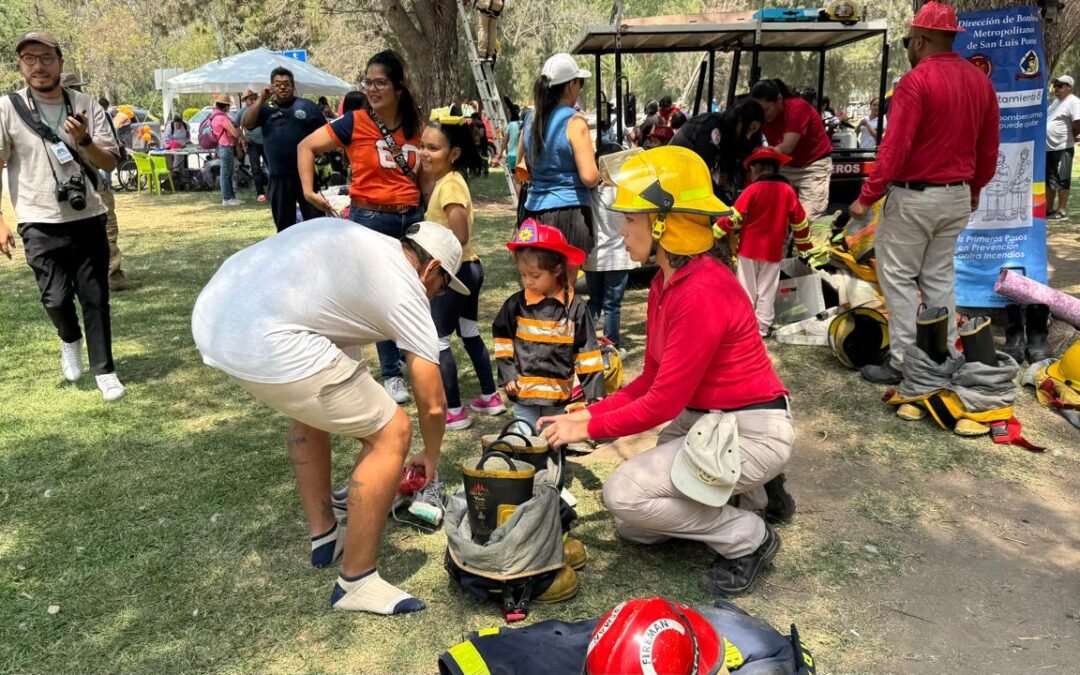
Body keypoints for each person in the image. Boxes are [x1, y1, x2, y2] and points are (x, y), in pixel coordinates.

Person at [538, 145, 795, 598]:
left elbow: (662, 402)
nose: (622, 229)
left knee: (625, 496)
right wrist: (588, 415)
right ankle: (750, 491)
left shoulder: (700, 292)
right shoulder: (665, 281)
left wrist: (589, 429)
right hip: (708, 419)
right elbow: (648, 380)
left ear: (663, 224)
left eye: (631, 219)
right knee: (637, 526)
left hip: (748, 427)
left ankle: (749, 537)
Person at [192, 219, 469, 615]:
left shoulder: (361, 251)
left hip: (215, 314)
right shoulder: (406, 287)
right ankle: (357, 581)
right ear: (431, 268)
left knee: (311, 408)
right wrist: (430, 457)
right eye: (441, 286)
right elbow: (432, 401)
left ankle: (325, 533)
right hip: (261, 336)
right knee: (393, 432)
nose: (437, 295)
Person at [849, 1, 999, 385]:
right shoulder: (980, 81)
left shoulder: (915, 83)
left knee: (897, 276)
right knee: (938, 277)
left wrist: (867, 196)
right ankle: (942, 352)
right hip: (956, 195)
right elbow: (988, 146)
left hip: (915, 196)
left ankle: (903, 360)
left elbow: (895, 149)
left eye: (910, 41)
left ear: (920, 39)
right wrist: (976, 187)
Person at [0, 31, 125, 401]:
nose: (38, 66)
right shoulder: (7, 107)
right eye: (29, 59)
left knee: (95, 297)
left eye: (46, 58)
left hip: (87, 215)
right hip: (37, 218)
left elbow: (110, 162)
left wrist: (84, 139)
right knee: (54, 298)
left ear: (60, 63)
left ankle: (105, 370)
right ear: (21, 65)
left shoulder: (85, 103)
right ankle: (69, 339)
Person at [298, 50, 424, 405]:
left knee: (413, 294)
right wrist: (309, 191)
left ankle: (408, 357)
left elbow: (427, 171)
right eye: (367, 82)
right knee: (383, 295)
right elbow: (306, 146)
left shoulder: (416, 125)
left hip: (412, 218)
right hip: (371, 218)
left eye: (380, 82)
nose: (371, 88)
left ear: (398, 86)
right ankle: (392, 374)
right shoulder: (355, 122)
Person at [421, 115, 506, 430]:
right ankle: (489, 397)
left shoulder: (451, 185)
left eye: (433, 147)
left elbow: (459, 234)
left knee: (439, 340)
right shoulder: (448, 182)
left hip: (454, 274)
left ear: (453, 153)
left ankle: (454, 411)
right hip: (468, 270)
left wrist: (437, 269)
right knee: (469, 333)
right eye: (422, 146)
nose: (425, 153)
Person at [493, 219, 605, 433]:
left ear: (556, 269)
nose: (527, 281)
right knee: (525, 435)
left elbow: (587, 353)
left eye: (534, 275)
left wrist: (594, 392)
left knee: (552, 435)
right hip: (524, 392)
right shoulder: (516, 305)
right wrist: (508, 373)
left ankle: (553, 466)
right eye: (522, 275)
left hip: (557, 394)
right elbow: (502, 337)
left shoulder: (575, 307)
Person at [715, 147, 811, 337]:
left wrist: (714, 233)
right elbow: (800, 222)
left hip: (749, 248)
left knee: (745, 288)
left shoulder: (753, 189)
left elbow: (733, 216)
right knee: (767, 289)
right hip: (773, 251)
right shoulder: (788, 191)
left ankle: (744, 324)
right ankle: (762, 328)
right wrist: (804, 249)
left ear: (755, 169)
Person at [517, 53, 601, 255]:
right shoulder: (574, 121)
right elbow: (589, 177)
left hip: (535, 211)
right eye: (580, 83)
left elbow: (521, 163)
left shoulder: (531, 118)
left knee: (541, 282)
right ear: (571, 85)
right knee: (565, 284)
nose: (580, 88)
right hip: (569, 213)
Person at [240, 66, 325, 231]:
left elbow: (325, 132)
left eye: (286, 83)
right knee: (284, 226)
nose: (282, 87)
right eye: (277, 84)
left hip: (305, 175)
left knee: (316, 223)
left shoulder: (307, 106)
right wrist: (261, 99)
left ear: (293, 86)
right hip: (278, 176)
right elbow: (246, 123)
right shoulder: (264, 109)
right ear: (271, 87)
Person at [66, 79, 131, 293]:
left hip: (86, 179)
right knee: (107, 226)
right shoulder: (81, 115)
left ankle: (102, 274)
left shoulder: (87, 111)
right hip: (88, 179)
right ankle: (111, 274)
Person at [751, 79, 833, 223]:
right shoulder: (758, 115)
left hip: (813, 166)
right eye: (759, 111)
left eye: (766, 110)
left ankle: (809, 244)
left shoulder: (798, 109)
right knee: (778, 219)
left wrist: (761, 153)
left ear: (779, 99)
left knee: (808, 220)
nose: (762, 115)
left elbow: (786, 148)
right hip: (786, 166)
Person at [585, 149, 640, 348]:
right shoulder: (624, 194)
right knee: (612, 306)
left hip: (594, 258)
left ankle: (587, 343)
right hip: (618, 257)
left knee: (594, 302)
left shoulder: (589, 193)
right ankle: (611, 345)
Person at [669, 98, 765, 197]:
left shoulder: (727, 137)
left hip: (688, 189)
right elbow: (702, 176)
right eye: (749, 129)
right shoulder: (711, 128)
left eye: (753, 133)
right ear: (740, 119)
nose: (748, 137)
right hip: (675, 187)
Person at [1045, 74, 1080, 220]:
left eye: (1060, 85)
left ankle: (1062, 210)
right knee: (1050, 179)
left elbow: (1078, 122)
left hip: (1063, 146)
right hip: (1049, 147)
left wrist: (1073, 134)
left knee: (1063, 178)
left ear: (1069, 87)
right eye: (1056, 85)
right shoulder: (1055, 102)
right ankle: (1049, 209)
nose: (1056, 88)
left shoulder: (1074, 102)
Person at [208, 93, 242, 207]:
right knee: (226, 173)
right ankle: (227, 198)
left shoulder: (214, 116)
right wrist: (239, 133)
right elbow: (235, 133)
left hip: (222, 147)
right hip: (226, 147)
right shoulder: (222, 118)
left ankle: (231, 197)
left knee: (227, 173)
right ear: (226, 106)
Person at [238, 89, 267, 203]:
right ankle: (260, 193)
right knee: (255, 169)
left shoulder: (262, 108)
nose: (253, 101)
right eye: (251, 99)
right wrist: (243, 137)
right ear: (245, 100)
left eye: (255, 98)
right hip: (252, 144)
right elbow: (235, 125)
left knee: (271, 167)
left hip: (266, 142)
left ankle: (273, 190)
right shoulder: (242, 112)